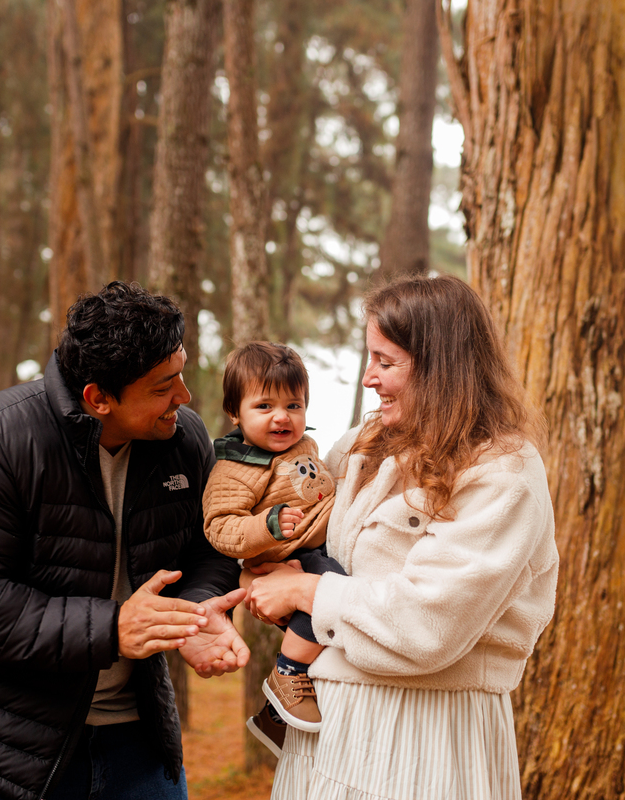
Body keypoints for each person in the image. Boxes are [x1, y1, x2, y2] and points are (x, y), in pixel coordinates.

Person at [0, 282, 249, 800]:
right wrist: (111, 628)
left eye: (180, 374)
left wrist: (193, 616)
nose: (184, 396)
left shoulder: (183, 439)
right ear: (98, 399)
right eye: (162, 386)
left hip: (135, 743)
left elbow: (207, 550)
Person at [244, 275, 558, 800]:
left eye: (385, 362)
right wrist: (273, 571)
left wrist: (304, 593)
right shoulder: (362, 447)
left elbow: (427, 623)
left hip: (427, 736)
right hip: (327, 726)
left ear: (443, 368)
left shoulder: (504, 472)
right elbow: (303, 538)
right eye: (369, 359)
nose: (369, 379)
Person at [201, 343, 344, 754]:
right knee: (331, 589)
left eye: (294, 405)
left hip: (320, 542)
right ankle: (288, 670)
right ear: (235, 412)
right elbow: (220, 527)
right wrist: (267, 526)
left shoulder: (305, 447)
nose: (282, 416)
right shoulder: (235, 467)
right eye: (264, 406)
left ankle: (277, 718)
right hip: (291, 559)